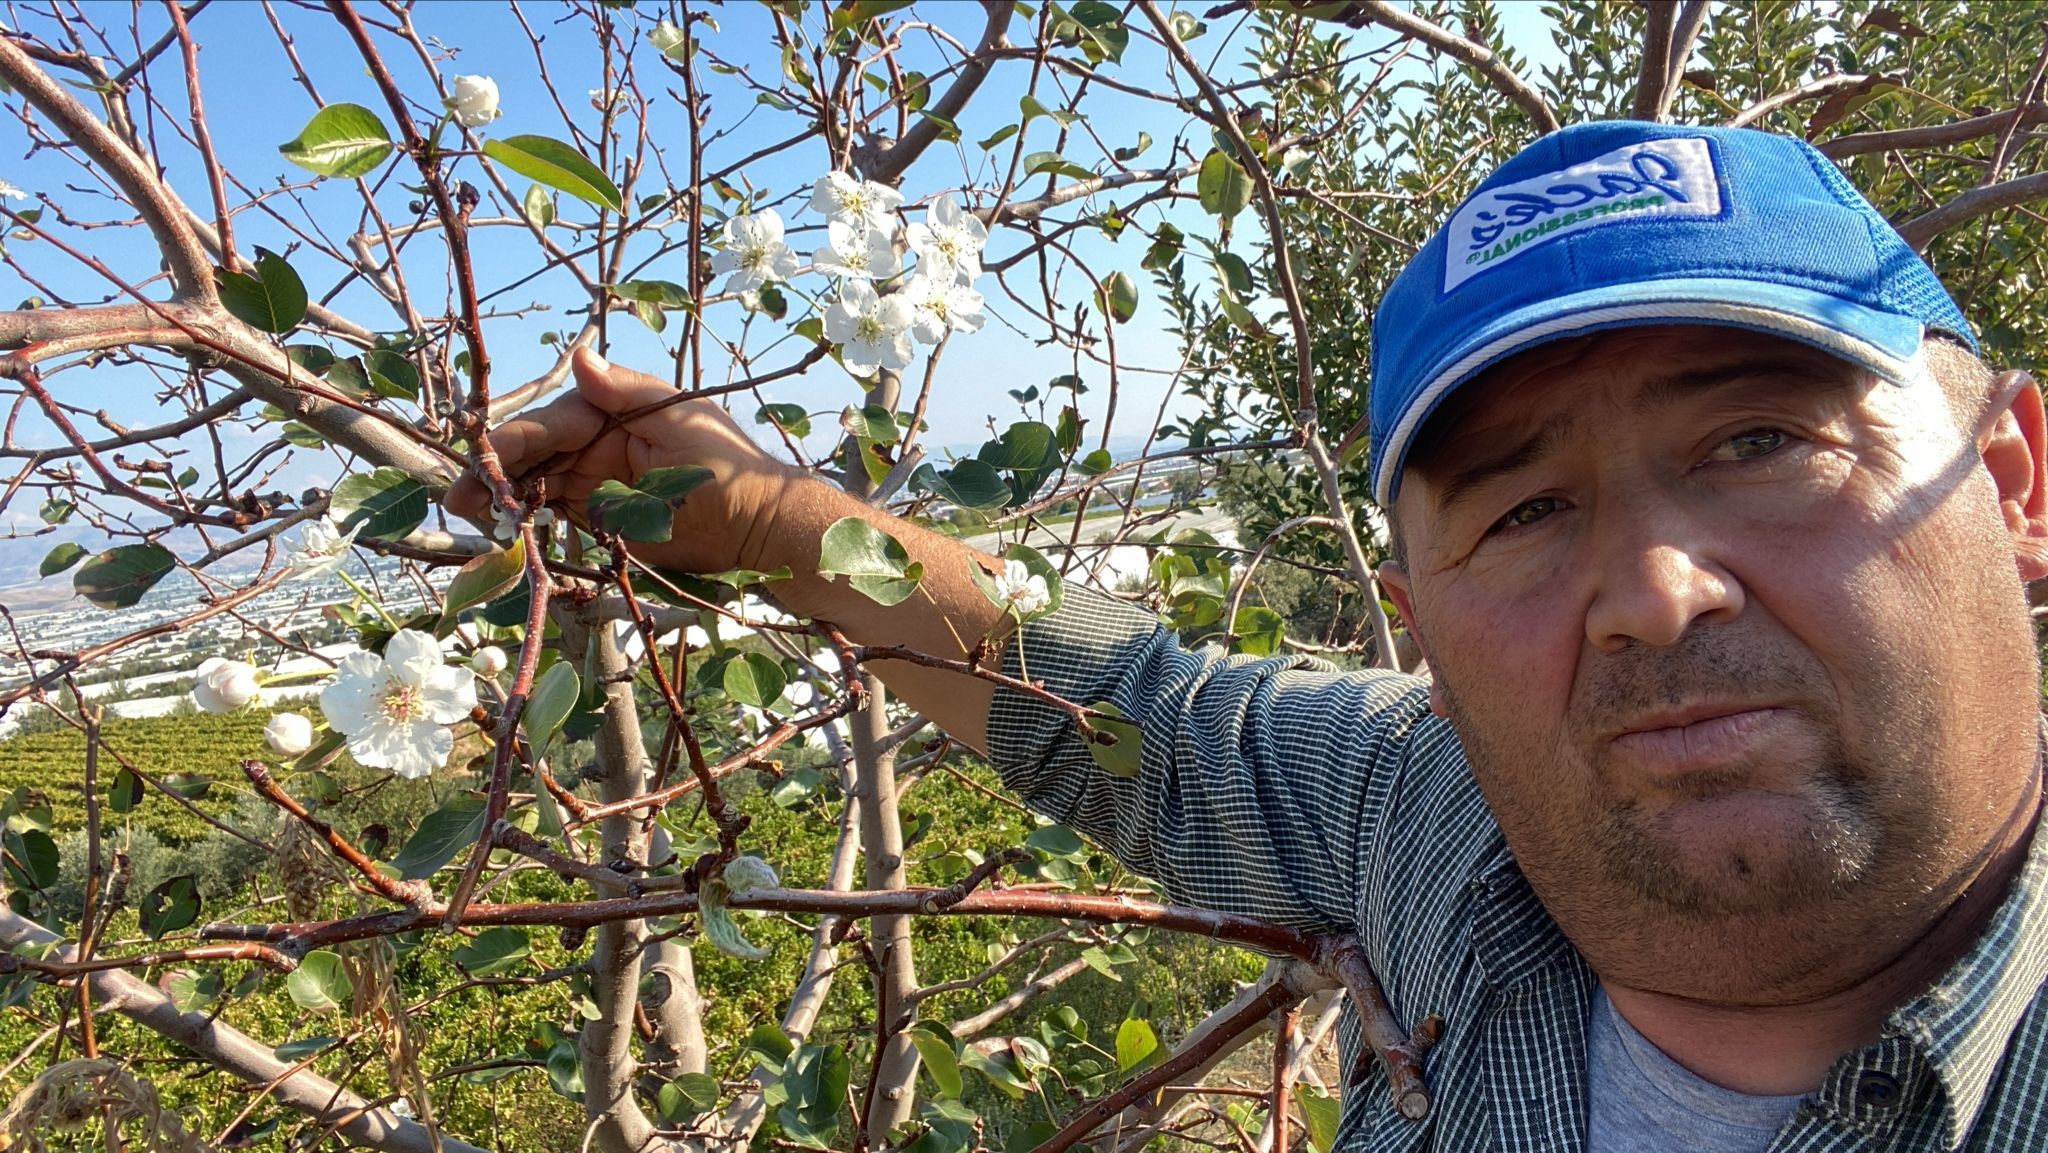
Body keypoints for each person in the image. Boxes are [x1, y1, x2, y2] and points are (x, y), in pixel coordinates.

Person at [448, 121, 2048, 1151]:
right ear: (1418, 629)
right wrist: (746, 516)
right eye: (1523, 514)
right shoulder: (1437, 812)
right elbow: (1114, 708)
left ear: (2012, 483)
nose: (1650, 589)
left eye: (1761, 443)